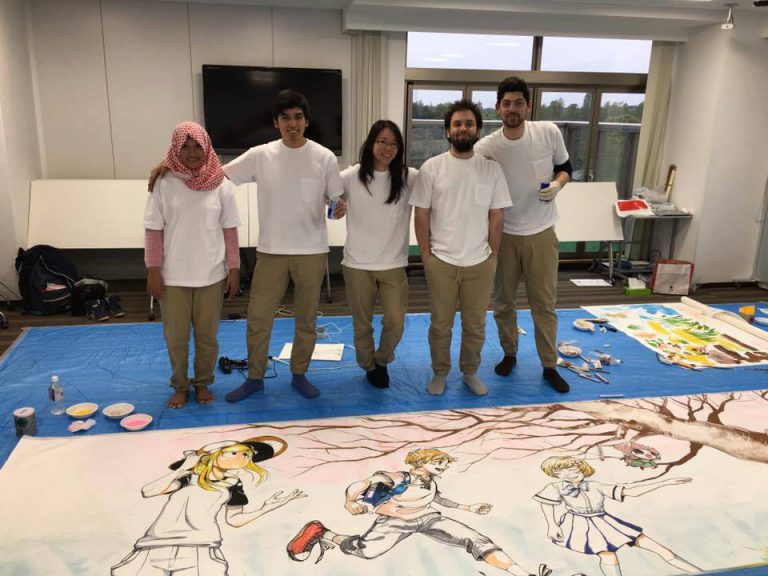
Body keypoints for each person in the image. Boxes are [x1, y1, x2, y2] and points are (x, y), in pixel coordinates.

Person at [151, 90, 345, 401]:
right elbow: (213, 172)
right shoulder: (260, 155)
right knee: (258, 318)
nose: (292, 123)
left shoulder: (324, 157)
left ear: (306, 122)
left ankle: (299, 373)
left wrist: (339, 207)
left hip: (311, 251)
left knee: (307, 318)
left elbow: (336, 200)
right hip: (270, 252)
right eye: (285, 118)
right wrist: (169, 165)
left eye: (298, 117)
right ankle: (255, 377)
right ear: (275, 122)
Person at [286, 448, 549, 576]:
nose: (444, 466)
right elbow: (362, 484)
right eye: (439, 462)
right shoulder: (397, 477)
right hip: (395, 520)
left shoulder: (431, 483)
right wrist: (349, 501)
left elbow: (439, 500)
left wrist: (469, 507)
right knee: (366, 551)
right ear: (421, 462)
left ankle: (522, 574)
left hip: (428, 518)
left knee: (477, 540)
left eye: (445, 463)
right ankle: (325, 533)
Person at [475, 76, 572, 393]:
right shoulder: (487, 147)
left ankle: (549, 365)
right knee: (503, 301)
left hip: (542, 231)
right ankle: (509, 353)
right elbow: (464, 171)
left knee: (544, 304)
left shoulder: (548, 132)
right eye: (506, 103)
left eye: (518, 103)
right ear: (498, 108)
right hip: (504, 234)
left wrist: (557, 185)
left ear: (528, 106)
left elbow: (566, 167)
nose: (512, 108)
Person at [410, 99, 511, 396]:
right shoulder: (432, 168)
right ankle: (440, 371)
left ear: (478, 130)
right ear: (447, 131)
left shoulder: (491, 170)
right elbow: (422, 214)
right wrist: (426, 255)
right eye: (457, 124)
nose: (463, 128)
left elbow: (497, 214)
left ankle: (469, 372)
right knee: (440, 325)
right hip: (440, 260)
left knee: (475, 325)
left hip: (480, 262)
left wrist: (493, 255)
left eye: (468, 123)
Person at [144, 121, 241, 409]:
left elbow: (230, 230)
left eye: (197, 145)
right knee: (175, 338)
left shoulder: (222, 184)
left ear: (207, 146)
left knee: (207, 338)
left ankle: (202, 383)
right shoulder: (163, 182)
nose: (191, 152)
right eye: (184, 146)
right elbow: (153, 229)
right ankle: (180, 385)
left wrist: (233, 269)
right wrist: (153, 269)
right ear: (175, 148)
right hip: (172, 278)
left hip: (211, 275)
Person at [111, 436, 305, 575]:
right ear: (213, 456)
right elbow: (149, 491)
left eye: (247, 455)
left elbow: (234, 520)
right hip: (153, 546)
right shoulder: (188, 477)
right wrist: (183, 468)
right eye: (235, 453)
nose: (243, 458)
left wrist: (267, 507)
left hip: (199, 548)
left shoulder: (233, 486)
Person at [341, 120, 416, 389]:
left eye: (393, 143)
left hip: (393, 263)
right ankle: (369, 365)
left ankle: (382, 360)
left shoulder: (409, 177)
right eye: (382, 141)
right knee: (362, 323)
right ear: (371, 143)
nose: (387, 148)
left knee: (395, 320)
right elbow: (328, 196)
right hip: (357, 264)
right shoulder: (351, 176)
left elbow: (441, 187)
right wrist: (334, 204)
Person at [534, 455, 701, 576]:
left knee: (658, 548)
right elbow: (547, 504)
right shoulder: (554, 487)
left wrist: (665, 482)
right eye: (564, 472)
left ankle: (700, 573)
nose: (571, 474)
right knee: (608, 555)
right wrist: (552, 525)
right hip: (579, 525)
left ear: (581, 468)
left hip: (605, 521)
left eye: (573, 469)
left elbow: (631, 492)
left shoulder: (596, 485)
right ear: (556, 475)